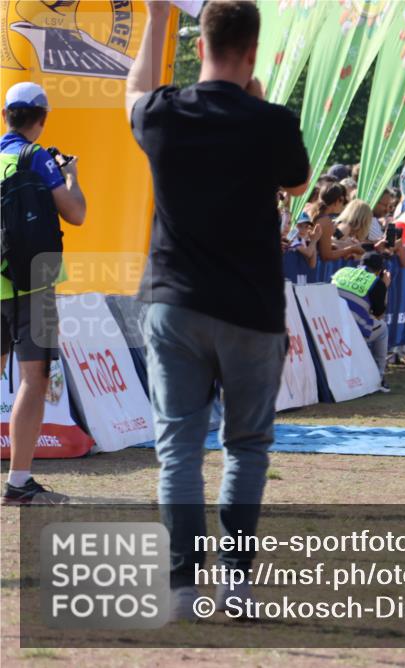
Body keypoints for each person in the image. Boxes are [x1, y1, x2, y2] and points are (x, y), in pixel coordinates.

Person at [126, 0, 311, 621]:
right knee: (246, 448)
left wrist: (155, 20)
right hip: (252, 310)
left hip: (174, 302)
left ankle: (181, 587)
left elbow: (134, 90)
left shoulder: (163, 114)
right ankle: (235, 583)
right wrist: (256, 98)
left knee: (178, 450)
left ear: (198, 44)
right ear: (253, 51)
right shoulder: (272, 122)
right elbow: (298, 182)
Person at [1, 82, 87, 504]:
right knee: (32, 380)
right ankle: (18, 482)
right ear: (42, 119)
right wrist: (70, 174)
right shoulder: (38, 158)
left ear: (5, 117)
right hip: (35, 281)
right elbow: (77, 214)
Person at [333, 252, 391, 392]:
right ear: (380, 271)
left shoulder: (342, 271)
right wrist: (385, 286)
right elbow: (379, 315)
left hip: (329, 326)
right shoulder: (376, 282)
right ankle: (378, 377)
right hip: (352, 330)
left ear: (360, 264)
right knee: (382, 329)